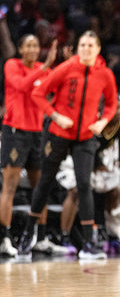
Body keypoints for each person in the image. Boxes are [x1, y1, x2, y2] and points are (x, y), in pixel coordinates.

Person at [17, 30, 118, 261]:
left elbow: (112, 104)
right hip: (58, 133)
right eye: (83, 44)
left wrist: (103, 121)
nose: (86, 49)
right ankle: (28, 234)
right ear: (78, 47)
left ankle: (89, 243)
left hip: (85, 136)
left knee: (84, 184)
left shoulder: (105, 75)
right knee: (44, 182)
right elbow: (38, 93)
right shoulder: (67, 68)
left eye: (91, 45)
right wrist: (55, 116)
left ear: (98, 49)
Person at [0, 36, 59, 257]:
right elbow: (23, 86)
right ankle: (4, 239)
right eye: (29, 45)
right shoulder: (12, 65)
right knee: (10, 187)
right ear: (20, 48)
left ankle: (40, 239)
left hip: (37, 133)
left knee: (40, 187)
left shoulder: (41, 69)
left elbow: (55, 91)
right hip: (15, 131)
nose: (33, 49)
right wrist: (45, 66)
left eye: (36, 45)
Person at [57, 96, 120, 255]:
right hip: (75, 159)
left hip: (96, 163)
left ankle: (114, 238)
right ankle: (64, 238)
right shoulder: (94, 120)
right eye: (116, 107)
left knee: (115, 189)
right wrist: (98, 165)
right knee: (75, 191)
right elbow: (79, 147)